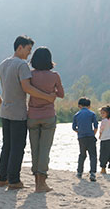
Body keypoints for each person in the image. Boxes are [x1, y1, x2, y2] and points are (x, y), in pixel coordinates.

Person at [0, 36, 55, 189]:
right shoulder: (22, 65)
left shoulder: (4, 63)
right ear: (20, 47)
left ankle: (2, 179)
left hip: (5, 112)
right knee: (17, 147)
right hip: (18, 113)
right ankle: (14, 181)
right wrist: (48, 97)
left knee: (7, 146)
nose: (29, 53)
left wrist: (1, 101)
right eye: (28, 49)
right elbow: (27, 88)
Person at [27, 47, 64, 192]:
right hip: (48, 116)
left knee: (34, 149)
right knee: (44, 150)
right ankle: (42, 183)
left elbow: (26, 90)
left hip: (32, 116)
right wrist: (50, 91)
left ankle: (37, 182)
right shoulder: (54, 76)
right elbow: (61, 94)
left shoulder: (30, 75)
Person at [72, 97, 98, 182]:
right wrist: (93, 133)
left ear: (79, 106)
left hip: (81, 137)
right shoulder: (92, 114)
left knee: (82, 154)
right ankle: (92, 173)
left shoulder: (76, 115)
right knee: (93, 155)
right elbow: (96, 126)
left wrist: (79, 132)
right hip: (90, 136)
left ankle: (79, 172)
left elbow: (73, 127)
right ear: (89, 106)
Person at [99, 105, 110, 174]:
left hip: (104, 139)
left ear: (107, 113)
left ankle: (103, 168)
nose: (102, 114)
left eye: (103, 113)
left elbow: (101, 129)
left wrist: (100, 135)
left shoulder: (104, 121)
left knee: (103, 154)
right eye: (101, 113)